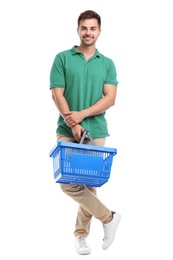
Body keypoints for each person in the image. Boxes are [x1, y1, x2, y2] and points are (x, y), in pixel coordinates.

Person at [49, 10, 121, 255]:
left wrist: (81, 115)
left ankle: (81, 236)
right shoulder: (62, 58)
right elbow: (57, 94)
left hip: (96, 130)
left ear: (99, 31)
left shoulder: (107, 63)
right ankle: (109, 217)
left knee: (90, 186)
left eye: (93, 28)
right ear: (78, 30)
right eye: (84, 28)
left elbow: (110, 98)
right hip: (66, 130)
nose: (88, 33)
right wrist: (73, 122)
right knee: (68, 183)